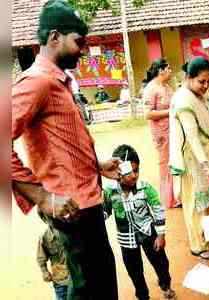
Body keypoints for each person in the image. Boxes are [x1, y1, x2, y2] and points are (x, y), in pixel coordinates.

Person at [11, 1, 119, 298]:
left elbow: (60, 143)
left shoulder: (58, 81)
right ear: (55, 37)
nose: (83, 50)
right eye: (79, 42)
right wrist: (42, 196)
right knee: (89, 291)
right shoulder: (37, 82)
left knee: (102, 287)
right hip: (73, 212)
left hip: (87, 203)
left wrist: (97, 166)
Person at [103, 144, 177, 300]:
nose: (133, 176)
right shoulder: (110, 192)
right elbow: (106, 212)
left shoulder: (145, 189)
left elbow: (158, 210)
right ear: (116, 172)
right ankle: (143, 295)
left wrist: (161, 235)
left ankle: (165, 285)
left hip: (149, 233)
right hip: (126, 240)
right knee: (134, 271)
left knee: (161, 263)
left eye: (136, 171)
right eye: (128, 172)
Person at [169, 57, 209, 259]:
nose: (206, 85)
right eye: (201, 81)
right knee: (194, 204)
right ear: (188, 78)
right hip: (192, 160)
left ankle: (208, 235)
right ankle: (197, 245)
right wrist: (205, 166)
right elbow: (192, 137)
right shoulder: (183, 100)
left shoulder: (199, 94)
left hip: (206, 155)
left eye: (208, 81)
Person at [144, 58, 180, 208]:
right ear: (161, 71)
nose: (171, 71)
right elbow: (148, 113)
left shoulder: (166, 86)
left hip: (172, 131)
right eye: (168, 68)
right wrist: (170, 112)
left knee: (174, 163)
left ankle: (176, 196)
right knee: (165, 165)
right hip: (161, 133)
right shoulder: (151, 89)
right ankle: (168, 200)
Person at [37, 218, 70, 300]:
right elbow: (41, 257)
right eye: (48, 216)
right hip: (60, 280)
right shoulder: (44, 237)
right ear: (44, 219)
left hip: (76, 278)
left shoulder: (71, 229)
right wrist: (45, 272)